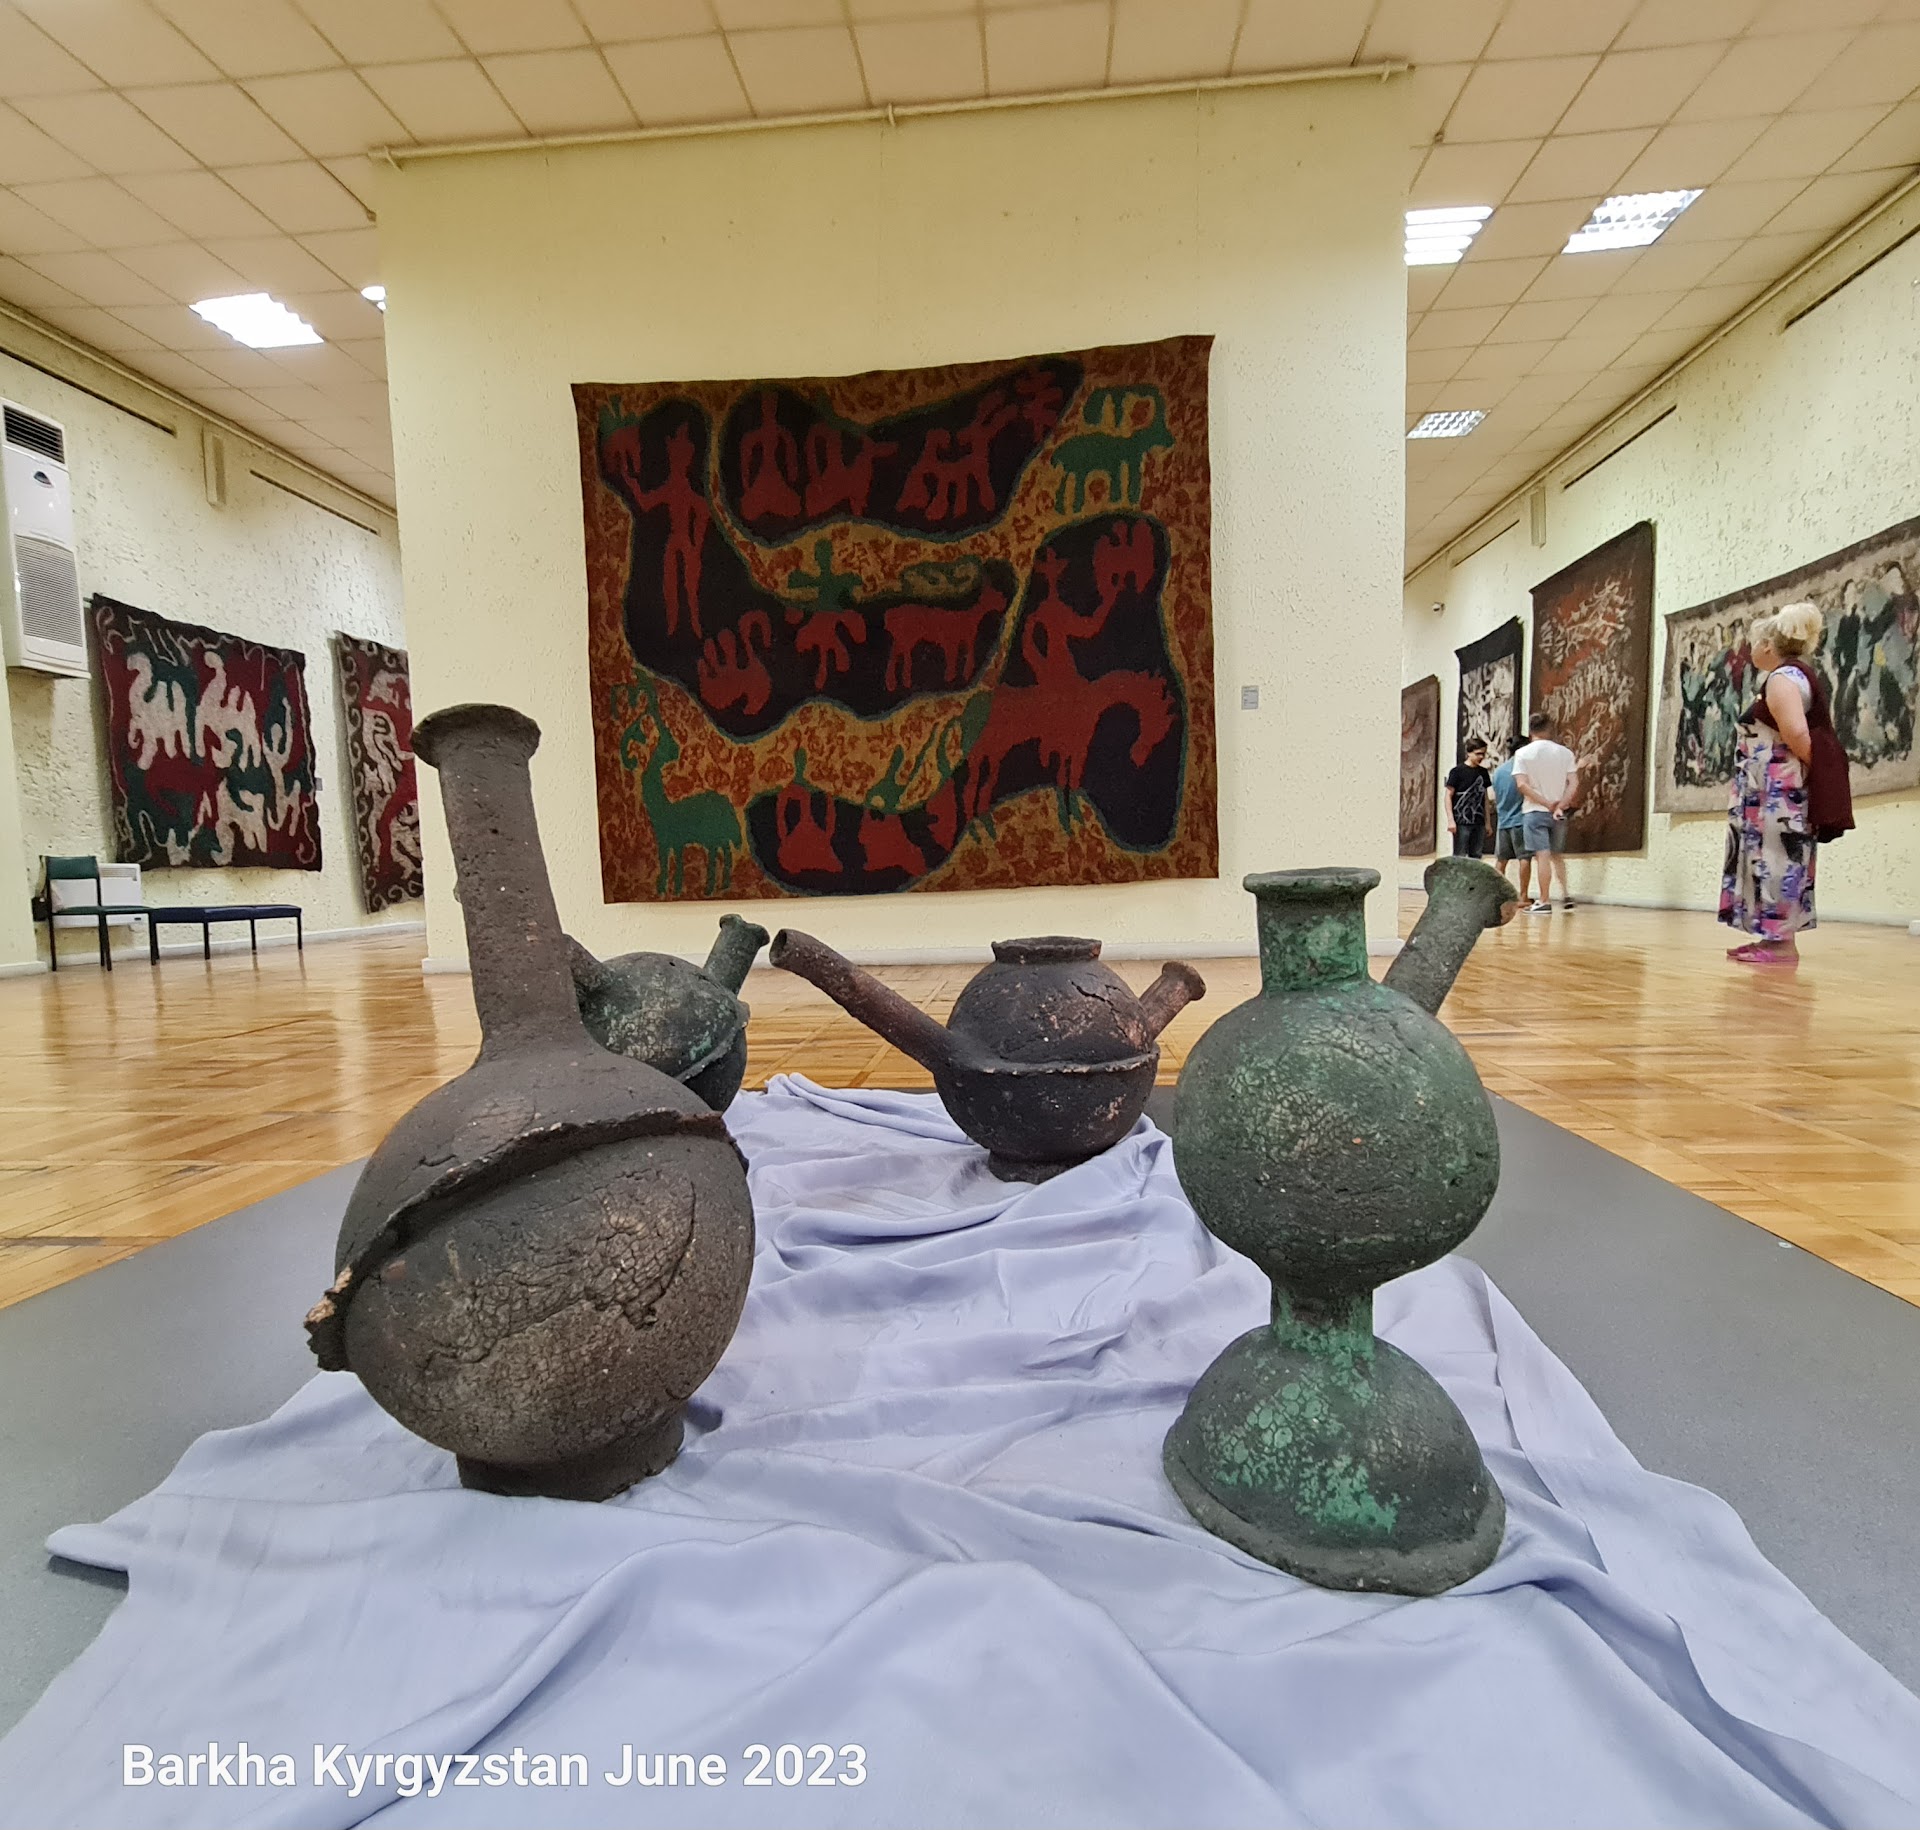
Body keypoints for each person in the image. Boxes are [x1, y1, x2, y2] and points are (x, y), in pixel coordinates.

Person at [1720, 602, 1854, 965]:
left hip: (1778, 791)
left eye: (1754, 643)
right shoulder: (1791, 676)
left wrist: (1813, 773)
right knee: (1773, 858)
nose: (1751, 650)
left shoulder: (1781, 679)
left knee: (1777, 859)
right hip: (1773, 788)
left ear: (1768, 645)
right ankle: (1772, 939)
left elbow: (1796, 733)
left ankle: (1780, 945)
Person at [1511, 711, 1578, 913]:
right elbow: (1573, 783)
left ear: (1530, 730)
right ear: (1550, 728)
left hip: (1535, 810)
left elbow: (1522, 785)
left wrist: (1546, 803)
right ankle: (1565, 894)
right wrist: (1560, 805)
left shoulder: (1523, 754)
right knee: (1557, 855)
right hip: (1558, 812)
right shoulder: (1565, 753)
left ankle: (1544, 900)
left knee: (1542, 856)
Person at [1489, 749, 1530, 902]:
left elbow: (1495, 795)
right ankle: (1523, 896)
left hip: (1503, 821)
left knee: (1501, 860)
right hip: (1520, 820)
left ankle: (1497, 895)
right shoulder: (1523, 771)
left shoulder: (1499, 771)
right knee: (1524, 858)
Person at [1444, 739, 1494, 858]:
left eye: (1483, 754)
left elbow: (1485, 798)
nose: (1481, 757)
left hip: (1479, 821)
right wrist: (1450, 819)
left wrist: (1488, 822)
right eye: (1478, 754)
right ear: (1469, 753)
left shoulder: (1483, 772)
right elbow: (1448, 796)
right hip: (1461, 821)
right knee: (1460, 854)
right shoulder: (1457, 772)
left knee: (1476, 854)